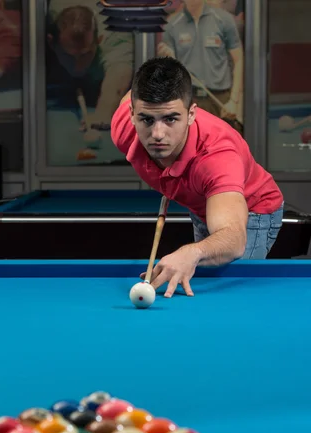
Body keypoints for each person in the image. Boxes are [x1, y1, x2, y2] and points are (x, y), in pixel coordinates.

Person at [111, 57, 284, 298]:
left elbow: (233, 238)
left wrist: (190, 253)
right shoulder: (124, 129)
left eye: (171, 118)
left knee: (227, 297)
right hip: (202, 203)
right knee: (198, 285)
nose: (157, 134)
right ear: (131, 113)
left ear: (191, 113)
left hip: (252, 209)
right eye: (147, 119)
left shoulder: (216, 157)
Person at [46, 0, 133, 146]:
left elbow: (120, 70)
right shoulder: (41, 25)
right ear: (51, 42)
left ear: (98, 41)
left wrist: (103, 112)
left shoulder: (115, 31)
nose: (78, 67)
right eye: (68, 56)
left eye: (85, 55)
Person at [158, 0, 243, 129]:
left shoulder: (224, 19)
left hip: (221, 100)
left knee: (222, 147)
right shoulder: (171, 25)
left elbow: (239, 60)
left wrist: (234, 101)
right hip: (188, 99)